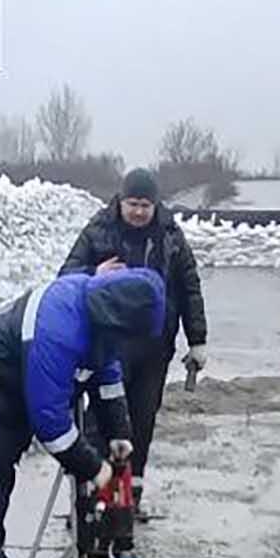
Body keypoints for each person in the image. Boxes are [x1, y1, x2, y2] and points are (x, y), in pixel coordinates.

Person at [0, 268, 166, 558]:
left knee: (1, 477)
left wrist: (119, 433)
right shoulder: (57, 331)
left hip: (21, 388)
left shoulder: (101, 319)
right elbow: (51, 426)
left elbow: (106, 375)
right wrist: (96, 469)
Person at [60, 168, 207, 516]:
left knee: (141, 422)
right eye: (133, 204)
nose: (139, 212)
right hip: (108, 347)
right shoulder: (99, 231)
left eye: (145, 205)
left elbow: (189, 287)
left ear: (155, 205)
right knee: (103, 422)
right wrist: (93, 274)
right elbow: (65, 277)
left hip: (155, 348)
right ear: (121, 202)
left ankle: (128, 500)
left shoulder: (170, 236)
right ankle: (92, 498)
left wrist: (197, 339)